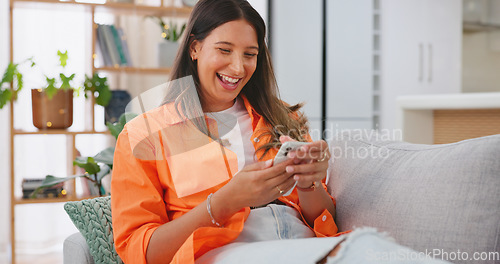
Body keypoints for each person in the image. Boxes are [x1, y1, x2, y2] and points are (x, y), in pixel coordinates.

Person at [111, 1, 453, 263]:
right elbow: (140, 252)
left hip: (304, 242)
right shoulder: (145, 133)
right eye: (224, 50)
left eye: (250, 54)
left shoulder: (279, 118)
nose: (238, 67)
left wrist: (309, 183)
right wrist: (225, 202)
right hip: (232, 251)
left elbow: (320, 216)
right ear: (195, 48)